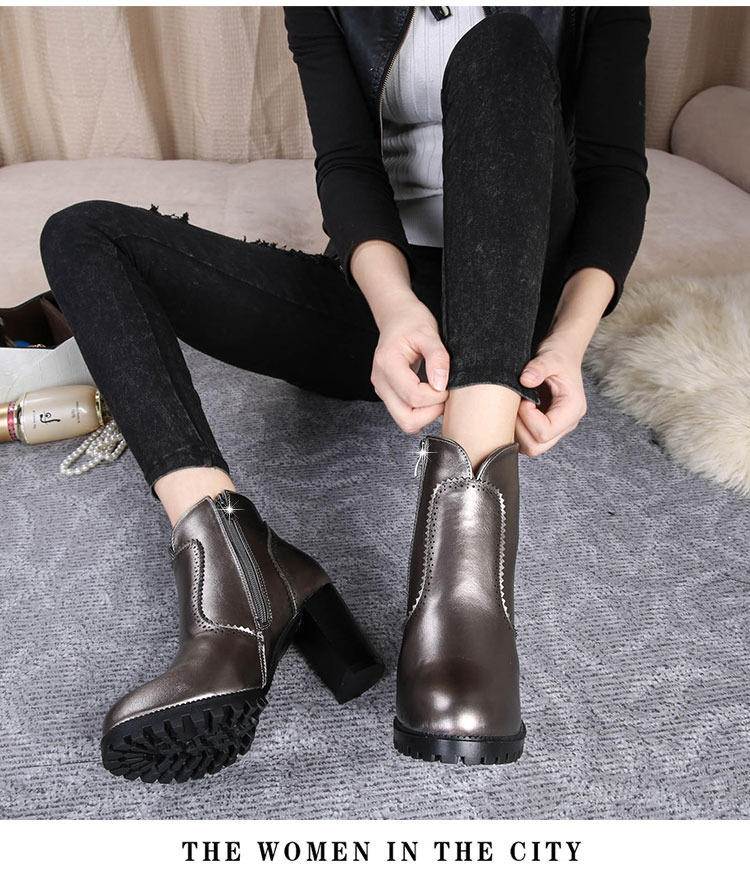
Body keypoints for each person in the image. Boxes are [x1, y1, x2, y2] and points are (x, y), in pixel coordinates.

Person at [38, 6, 650, 781]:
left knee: (497, 47)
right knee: (82, 234)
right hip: (389, 307)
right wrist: (393, 310)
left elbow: (613, 175)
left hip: (515, 292)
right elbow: (348, 164)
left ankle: (463, 582)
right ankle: (238, 566)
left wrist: (567, 338)